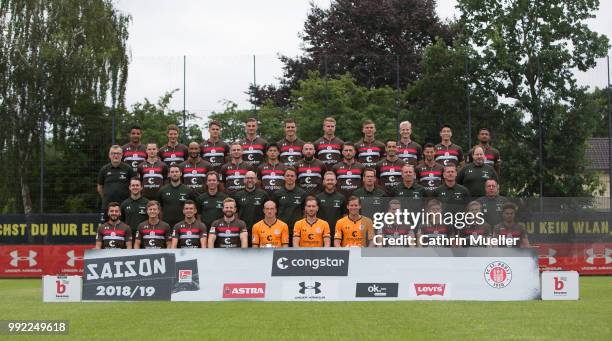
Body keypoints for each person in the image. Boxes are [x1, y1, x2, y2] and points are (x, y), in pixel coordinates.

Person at [273, 167, 306, 245]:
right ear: (284, 177)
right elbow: (274, 211)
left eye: (292, 176)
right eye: (287, 175)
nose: (290, 178)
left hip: (297, 230)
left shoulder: (302, 193)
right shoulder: (277, 193)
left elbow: (304, 211)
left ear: (296, 177)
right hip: (281, 229)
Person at [97, 145, 134, 211]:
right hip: (107, 206)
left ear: (122, 155)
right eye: (113, 153)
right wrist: (106, 197)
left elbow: (133, 186)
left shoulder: (128, 169)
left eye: (118, 153)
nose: (116, 155)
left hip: (125, 205)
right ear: (109, 155)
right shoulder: (104, 169)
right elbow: (100, 188)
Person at [234, 171, 269, 237]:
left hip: (260, 230)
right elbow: (235, 213)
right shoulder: (238, 195)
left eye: (252, 178)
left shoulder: (263, 194)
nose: (249, 180)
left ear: (256, 180)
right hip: (243, 230)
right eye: (247, 178)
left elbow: (267, 212)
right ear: (244, 180)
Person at [315, 171, 347, 237]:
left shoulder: (341, 197)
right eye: (328, 180)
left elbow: (345, 217)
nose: (330, 182)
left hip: (337, 233)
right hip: (321, 233)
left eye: (332, 180)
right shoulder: (317, 197)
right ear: (323, 182)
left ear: (335, 181)